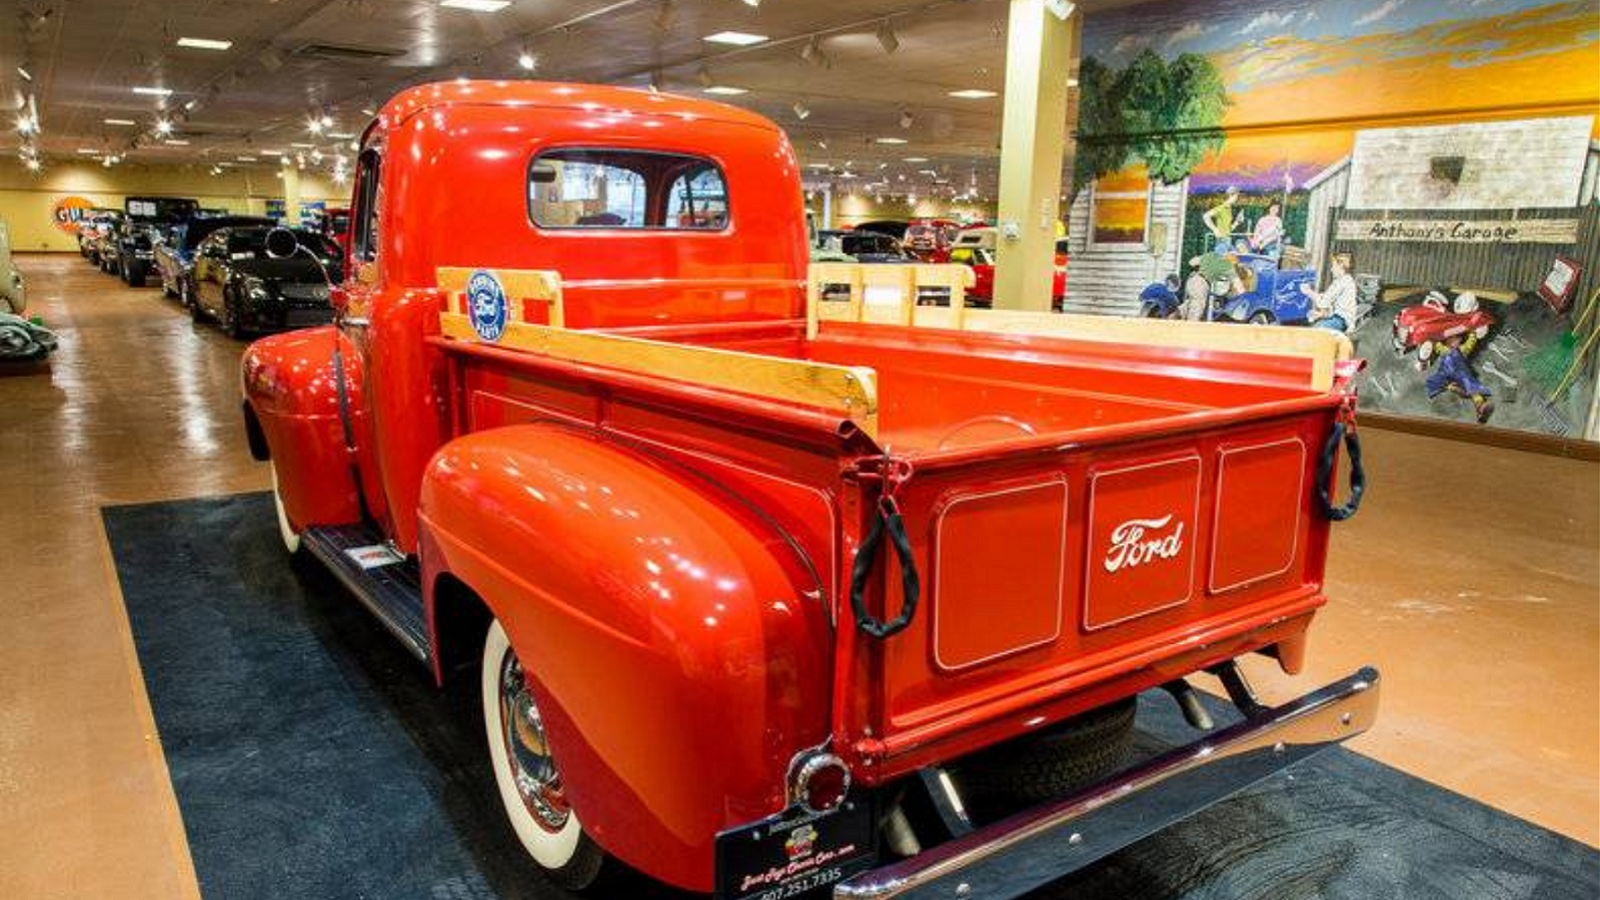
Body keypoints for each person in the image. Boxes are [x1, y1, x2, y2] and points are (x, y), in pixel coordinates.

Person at [1302, 252, 1357, 331]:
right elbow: (1333, 303)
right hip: (1342, 319)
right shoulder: (1346, 280)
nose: (1331, 269)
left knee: (1315, 331)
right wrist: (1320, 314)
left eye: (1333, 266)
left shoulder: (1342, 282)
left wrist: (1308, 291)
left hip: (1341, 321)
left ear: (1340, 266)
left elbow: (1323, 303)